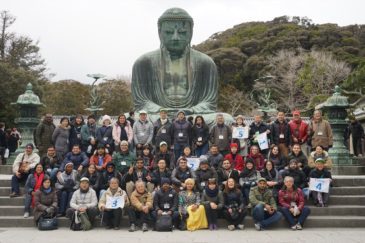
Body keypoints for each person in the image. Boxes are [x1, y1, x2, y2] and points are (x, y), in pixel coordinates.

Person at [131, 8, 219, 118]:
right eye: (168, 32)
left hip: (193, 115)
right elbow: (141, 102)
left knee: (225, 119)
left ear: (191, 33)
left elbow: (210, 103)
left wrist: (191, 110)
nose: (175, 37)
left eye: (182, 32)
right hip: (158, 115)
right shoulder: (144, 62)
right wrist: (162, 110)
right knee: (134, 118)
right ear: (159, 32)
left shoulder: (205, 62)